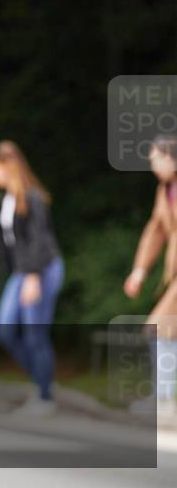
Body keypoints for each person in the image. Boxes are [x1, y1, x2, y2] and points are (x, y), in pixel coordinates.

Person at [0, 141, 65, 416]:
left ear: (7, 165)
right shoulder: (5, 200)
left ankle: (44, 397)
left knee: (35, 335)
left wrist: (33, 277)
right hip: (21, 273)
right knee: (4, 331)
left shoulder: (32, 197)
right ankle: (43, 381)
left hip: (42, 270)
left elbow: (39, 240)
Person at [123, 134, 177, 415]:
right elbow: (155, 231)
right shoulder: (165, 190)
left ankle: (164, 400)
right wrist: (140, 271)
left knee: (162, 328)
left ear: (172, 158)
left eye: (156, 159)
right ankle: (164, 398)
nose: (152, 165)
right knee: (164, 331)